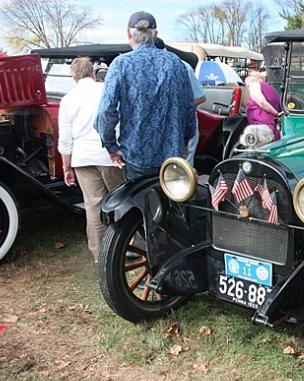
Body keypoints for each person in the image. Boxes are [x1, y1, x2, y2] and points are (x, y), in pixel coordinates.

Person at [95, 11, 196, 181]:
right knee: (172, 197)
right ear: (155, 34)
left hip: (136, 155)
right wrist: (184, 142)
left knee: (139, 198)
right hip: (173, 157)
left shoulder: (121, 64)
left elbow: (106, 111)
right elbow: (189, 109)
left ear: (128, 33)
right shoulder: (176, 63)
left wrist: (111, 147)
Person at [57, 57, 124, 263]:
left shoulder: (67, 99)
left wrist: (66, 166)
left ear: (73, 76)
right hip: (108, 154)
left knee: (93, 206)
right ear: (93, 72)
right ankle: (126, 246)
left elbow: (65, 138)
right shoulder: (104, 91)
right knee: (121, 200)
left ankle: (99, 255)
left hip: (82, 157)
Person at [155, 37, 205, 166]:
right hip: (158, 127)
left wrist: (175, 107)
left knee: (182, 167)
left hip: (182, 125)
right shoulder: (144, 69)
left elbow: (200, 97)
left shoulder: (182, 67)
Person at [245, 71, 282, 140]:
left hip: (262, 126)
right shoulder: (270, 89)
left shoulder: (254, 85)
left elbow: (261, 102)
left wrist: (276, 113)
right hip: (272, 125)